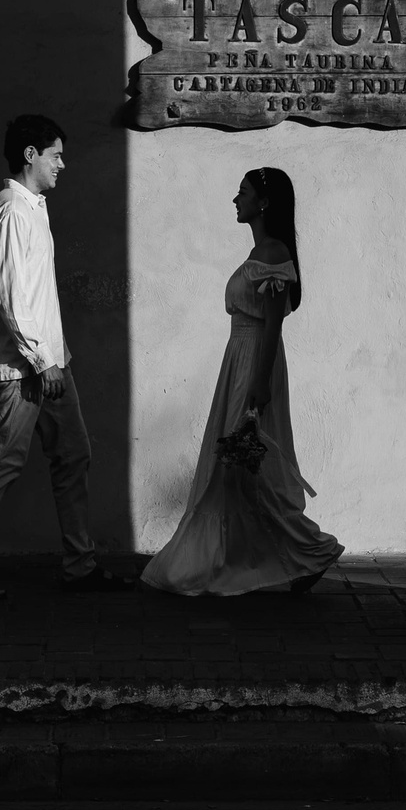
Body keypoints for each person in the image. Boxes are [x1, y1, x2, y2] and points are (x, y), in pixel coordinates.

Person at [0, 114, 133, 601]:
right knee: (4, 460)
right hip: (26, 367)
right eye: (55, 155)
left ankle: (80, 565)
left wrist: (54, 360)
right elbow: (11, 297)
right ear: (31, 155)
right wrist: (43, 361)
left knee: (73, 454)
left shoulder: (34, 207)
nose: (63, 164)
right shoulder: (11, 210)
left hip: (50, 364)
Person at [142, 165, 343, 597]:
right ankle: (247, 557)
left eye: (243, 192)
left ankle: (307, 550)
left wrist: (259, 384)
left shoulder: (272, 253)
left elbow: (272, 326)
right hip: (240, 358)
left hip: (254, 360)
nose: (236, 199)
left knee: (246, 465)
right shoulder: (260, 253)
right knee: (235, 466)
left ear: (264, 203)